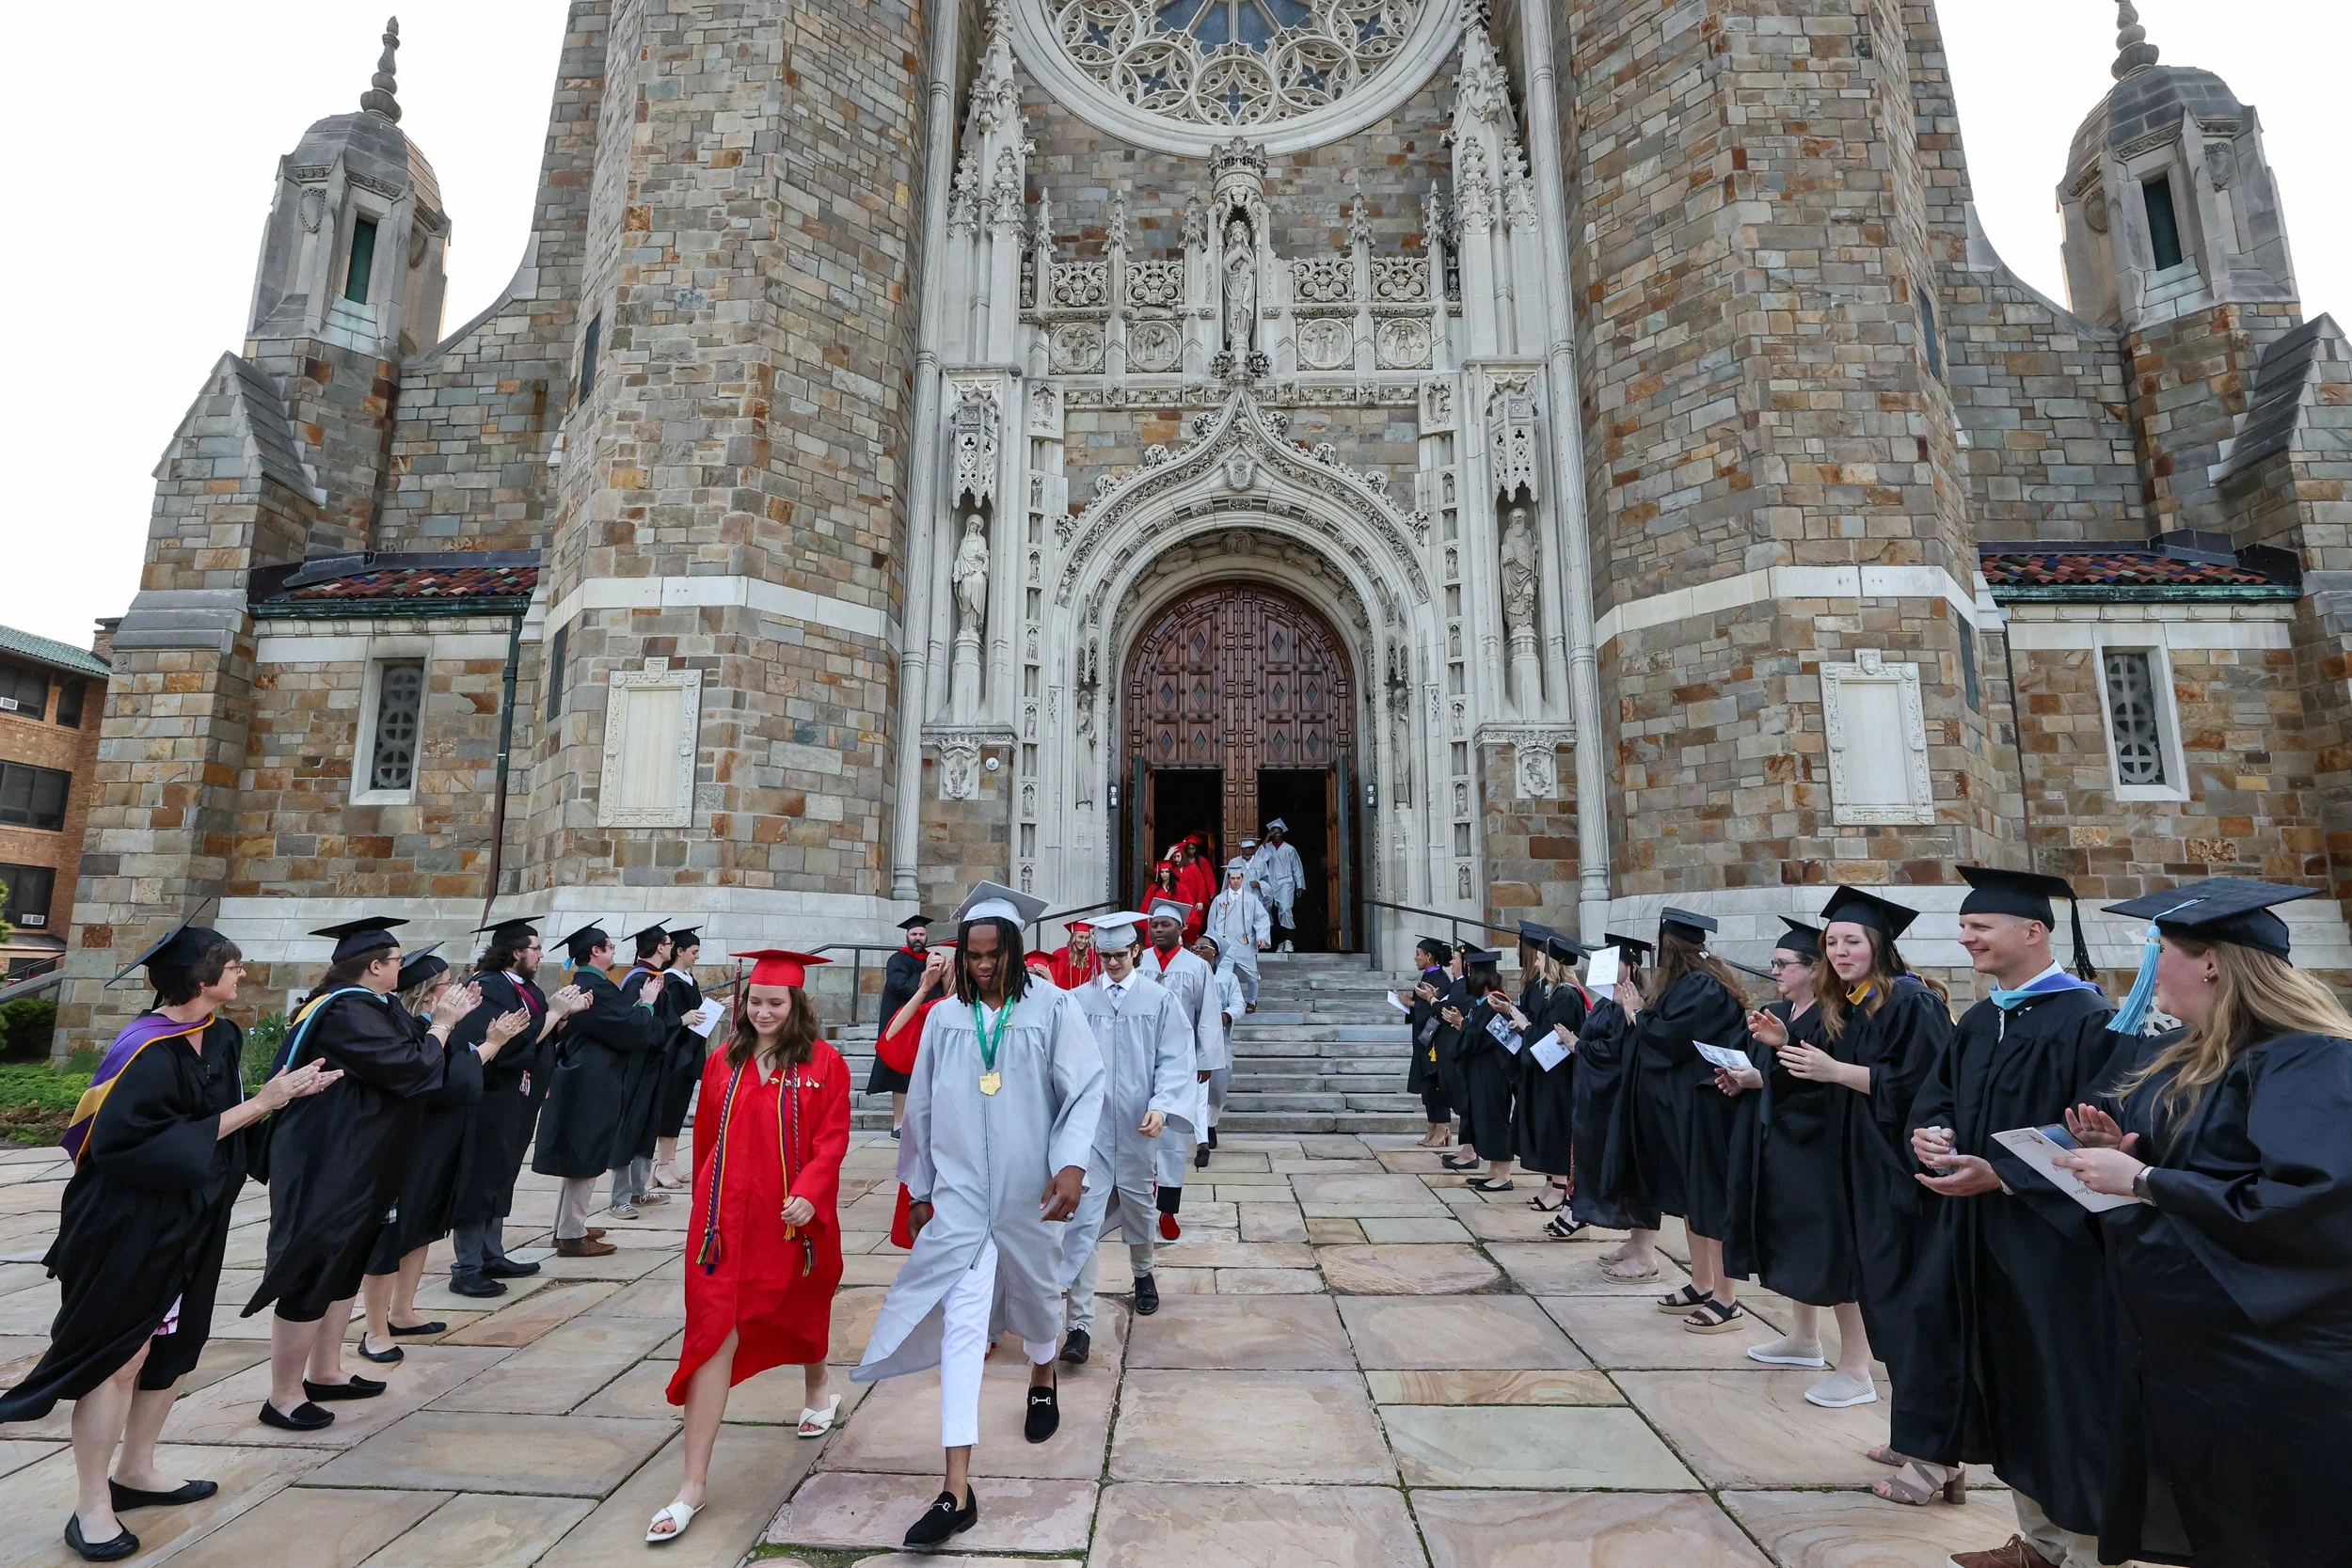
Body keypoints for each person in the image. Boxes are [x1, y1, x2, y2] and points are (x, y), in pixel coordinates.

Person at [0, 919, 338, 1562]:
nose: (242, 974)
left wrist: (285, 1100)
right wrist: (263, 1103)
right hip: (127, 1223)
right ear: (201, 978)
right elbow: (128, 1150)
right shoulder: (145, 1051)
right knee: (118, 1356)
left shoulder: (222, 1035)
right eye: (232, 966)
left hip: (194, 1216)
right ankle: (92, 1504)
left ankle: (137, 1470)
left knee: (174, 1347)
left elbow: (226, 1122)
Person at [2049, 878, 2352, 1568]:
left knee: (2287, 1535)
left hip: (2273, 1361)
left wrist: (2146, 1180)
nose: (2150, 967)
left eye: (2160, 949)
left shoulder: (2305, 1057)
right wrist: (2127, 1158)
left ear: (2211, 961)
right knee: (2222, 1527)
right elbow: (2210, 1172)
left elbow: (2304, 1197)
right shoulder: (2190, 1058)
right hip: (2192, 1355)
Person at [853, 882, 1104, 1550]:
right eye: (974, 954)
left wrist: (1072, 1162)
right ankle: (956, 1490)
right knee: (961, 1332)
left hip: (1030, 1192)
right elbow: (923, 1106)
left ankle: (1043, 1373)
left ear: (1016, 949)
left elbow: (1084, 1088)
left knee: (1039, 1299)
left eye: (995, 954)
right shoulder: (945, 1019)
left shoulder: (1054, 1007)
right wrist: (920, 1186)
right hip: (962, 1198)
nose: (984, 965)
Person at [1906, 866, 2121, 1567]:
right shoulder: (1980, 1019)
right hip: (1980, 1236)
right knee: (2008, 1384)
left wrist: (2004, 1174)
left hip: (2056, 1246)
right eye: (1964, 927)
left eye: (1979, 927)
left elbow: (2107, 1131)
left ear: (2033, 931)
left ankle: (2088, 1553)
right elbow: (1936, 1097)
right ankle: (2039, 1543)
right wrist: (1930, 1134)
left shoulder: (2089, 1019)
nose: (1965, 938)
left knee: (2065, 1392)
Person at [645, 949, 851, 1545]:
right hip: (722, 1226)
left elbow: (833, 1139)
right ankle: (692, 1486)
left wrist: (810, 1193)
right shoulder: (723, 1062)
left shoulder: (824, 1063)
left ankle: (817, 1385)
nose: (762, 1012)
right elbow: (709, 1139)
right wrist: (705, 1207)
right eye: (755, 1002)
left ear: (796, 1005)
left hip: (789, 1218)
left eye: (774, 1003)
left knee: (802, 1305)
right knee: (711, 1333)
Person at [243, 917, 472, 1432]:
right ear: (373, 966)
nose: (401, 969)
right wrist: (442, 1024)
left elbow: (418, 1052)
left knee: (344, 1264)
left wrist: (441, 1020)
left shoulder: (374, 1005)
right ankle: (283, 1396)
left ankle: (325, 1372)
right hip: (327, 1160)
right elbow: (412, 1067)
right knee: (313, 1267)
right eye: (396, 961)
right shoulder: (345, 1010)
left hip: (359, 1157)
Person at [1721, 919, 1877, 1407]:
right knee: (1795, 1243)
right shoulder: (1784, 1013)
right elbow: (1782, 1077)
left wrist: (1772, 1064)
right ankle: (1804, 1340)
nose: (1775, 971)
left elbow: (1825, 1084)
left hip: (1823, 1150)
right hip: (1783, 1142)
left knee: (1834, 1253)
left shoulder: (1837, 1015)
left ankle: (1857, 1368)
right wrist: (1751, 1077)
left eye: (1783, 964)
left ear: (1812, 969)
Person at [358, 947, 531, 1362]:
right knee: (392, 1236)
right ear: (427, 993)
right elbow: (443, 1079)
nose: (458, 989)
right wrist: (491, 1043)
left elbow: (461, 1070)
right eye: (448, 984)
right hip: (411, 1143)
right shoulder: (411, 1030)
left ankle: (402, 1311)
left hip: (440, 1140)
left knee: (423, 1227)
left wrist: (491, 1041)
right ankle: (374, 1329)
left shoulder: (439, 1028)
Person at [1058, 911, 1195, 1362]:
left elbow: (1174, 1058)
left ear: (1136, 950)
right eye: (1105, 956)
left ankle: (1143, 1272)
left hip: (1140, 1124)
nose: (1112, 963)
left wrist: (1162, 1104)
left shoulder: (1159, 1000)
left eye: (1119, 955)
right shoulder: (1077, 1001)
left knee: (1139, 1205)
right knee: (1082, 1221)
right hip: (1091, 1129)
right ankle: (1079, 1325)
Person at [1623, 909, 1751, 1333]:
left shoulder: (1702, 986)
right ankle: (1701, 1282)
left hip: (1707, 1106)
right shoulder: (1692, 982)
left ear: (1670, 947)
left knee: (1710, 1202)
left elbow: (1670, 1038)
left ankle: (1726, 1299)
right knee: (1692, 1199)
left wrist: (1637, 1014)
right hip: (1685, 1108)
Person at [449, 919, 588, 1298]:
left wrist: (564, 1015)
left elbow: (539, 1036)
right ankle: (467, 1267)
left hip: (519, 1098)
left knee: (503, 1173)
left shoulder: (527, 988)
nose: (541, 955)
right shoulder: (491, 987)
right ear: (515, 952)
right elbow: (508, 1044)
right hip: (491, 1097)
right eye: (536, 948)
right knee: (481, 1177)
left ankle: (492, 1254)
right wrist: (554, 1014)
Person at [532, 920, 667, 1259]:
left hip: (586, 1075)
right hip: (591, 1080)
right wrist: (647, 1003)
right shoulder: (596, 988)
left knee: (580, 1155)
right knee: (585, 1156)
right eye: (609, 946)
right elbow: (630, 1031)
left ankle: (567, 1227)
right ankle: (572, 1234)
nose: (614, 951)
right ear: (596, 951)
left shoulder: (587, 984)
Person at [1136, 898, 1220, 1239]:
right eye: (1154, 924)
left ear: (1181, 928)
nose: (1158, 930)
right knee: (1138, 1135)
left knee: (1171, 1140)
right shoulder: (1137, 961)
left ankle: (1168, 1211)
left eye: (1165, 925)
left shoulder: (1196, 967)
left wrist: (1206, 1059)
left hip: (1179, 1061)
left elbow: (1208, 1014)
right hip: (1140, 1059)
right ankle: (1139, 1204)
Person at [1581, 934, 1663, 1264]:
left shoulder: (1641, 1001)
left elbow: (1626, 1047)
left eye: (1614, 961)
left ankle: (1645, 1251)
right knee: (1620, 1169)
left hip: (1629, 1094)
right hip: (1606, 1095)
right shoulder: (1607, 1001)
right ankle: (1634, 1242)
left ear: (1632, 967)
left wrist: (1579, 1046)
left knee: (1637, 1170)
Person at [609, 921, 683, 1218]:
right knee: (629, 1127)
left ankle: (638, 1191)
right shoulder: (637, 980)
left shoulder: (655, 977)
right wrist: (679, 1021)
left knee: (647, 1126)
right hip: (636, 1066)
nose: (671, 948)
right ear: (660, 947)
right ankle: (619, 1198)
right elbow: (635, 1025)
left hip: (654, 1065)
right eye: (668, 943)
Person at [1513, 932, 1588, 1219]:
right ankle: (1550, 1182)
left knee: (1554, 1126)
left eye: (1541, 957)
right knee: (1544, 1126)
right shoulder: (1555, 992)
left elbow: (1551, 1037)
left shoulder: (1567, 995)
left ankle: (1559, 1187)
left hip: (1558, 1075)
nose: (1537, 961)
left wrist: (1525, 1026)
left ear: (1553, 962)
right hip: (1546, 1073)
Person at [1444, 948, 1519, 1193]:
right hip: (1480, 1071)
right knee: (1484, 1120)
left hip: (1494, 1073)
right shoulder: (1484, 1003)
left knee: (1495, 1120)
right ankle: (1494, 1170)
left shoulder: (1497, 1002)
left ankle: (1504, 1175)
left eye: (1472, 974)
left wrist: (1462, 1024)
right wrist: (1465, 1026)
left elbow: (1481, 1038)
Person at [650, 927, 716, 1187]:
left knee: (678, 1108)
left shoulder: (688, 979)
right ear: (680, 951)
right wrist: (685, 1019)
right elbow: (671, 1018)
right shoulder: (669, 981)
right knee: (669, 1108)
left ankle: (671, 1160)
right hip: (674, 1054)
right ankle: (661, 1165)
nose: (697, 956)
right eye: (694, 951)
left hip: (689, 1053)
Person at [870, 915, 933, 1136]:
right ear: (907, 936)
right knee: (900, 1077)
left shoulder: (931, 958)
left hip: (923, 1022)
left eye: (921, 934)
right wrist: (924, 977)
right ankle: (898, 1124)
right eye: (914, 934)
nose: (918, 938)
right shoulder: (897, 960)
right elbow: (898, 985)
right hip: (901, 1024)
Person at [1191, 933, 1243, 1165]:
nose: (1198, 950)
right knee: (1196, 1089)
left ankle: (1210, 1123)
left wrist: (1225, 1015)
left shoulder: (1227, 978)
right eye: (1194, 947)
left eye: (1203, 947)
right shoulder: (1187, 974)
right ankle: (1201, 1138)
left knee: (1218, 1088)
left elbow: (1238, 1003)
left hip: (1218, 1040)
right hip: (1190, 1038)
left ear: (1215, 952)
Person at [1403, 937, 1454, 1148]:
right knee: (1427, 1087)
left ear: (1429, 956)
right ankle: (1432, 1126)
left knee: (1436, 1085)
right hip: (1423, 1040)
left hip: (1435, 1041)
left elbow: (1435, 1009)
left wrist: (1410, 1002)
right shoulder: (1427, 975)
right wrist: (1409, 1004)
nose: (1415, 958)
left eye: (1418, 954)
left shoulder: (1441, 979)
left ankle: (1443, 1129)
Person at [1204, 860, 1269, 1008]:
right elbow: (1211, 923)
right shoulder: (1219, 900)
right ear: (1228, 879)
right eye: (1232, 878)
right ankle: (1224, 1003)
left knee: (1252, 975)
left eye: (1238, 878)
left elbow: (1261, 918)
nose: (1235, 881)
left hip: (1245, 942)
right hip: (1225, 944)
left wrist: (1261, 936)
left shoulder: (1251, 899)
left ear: (1242, 878)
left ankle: (1252, 1001)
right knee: (1222, 977)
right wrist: (1212, 943)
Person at [1249, 819, 1306, 953]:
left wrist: (1299, 885)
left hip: (1286, 882)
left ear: (1282, 834)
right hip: (1270, 882)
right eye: (1273, 833)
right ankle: (1280, 942)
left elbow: (1296, 867)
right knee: (1270, 912)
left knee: (1285, 910)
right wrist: (1265, 839)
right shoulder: (1267, 847)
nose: (1276, 835)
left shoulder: (1289, 849)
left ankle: (1289, 940)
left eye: (1278, 832)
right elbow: (1259, 859)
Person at [1047, 922, 1099, 990]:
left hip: (1085, 995)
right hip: (1063, 994)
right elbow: (1052, 977)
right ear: (1073, 937)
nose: (1083, 941)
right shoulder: (1059, 954)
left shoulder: (1092, 955)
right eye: (1080, 937)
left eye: (1086, 938)